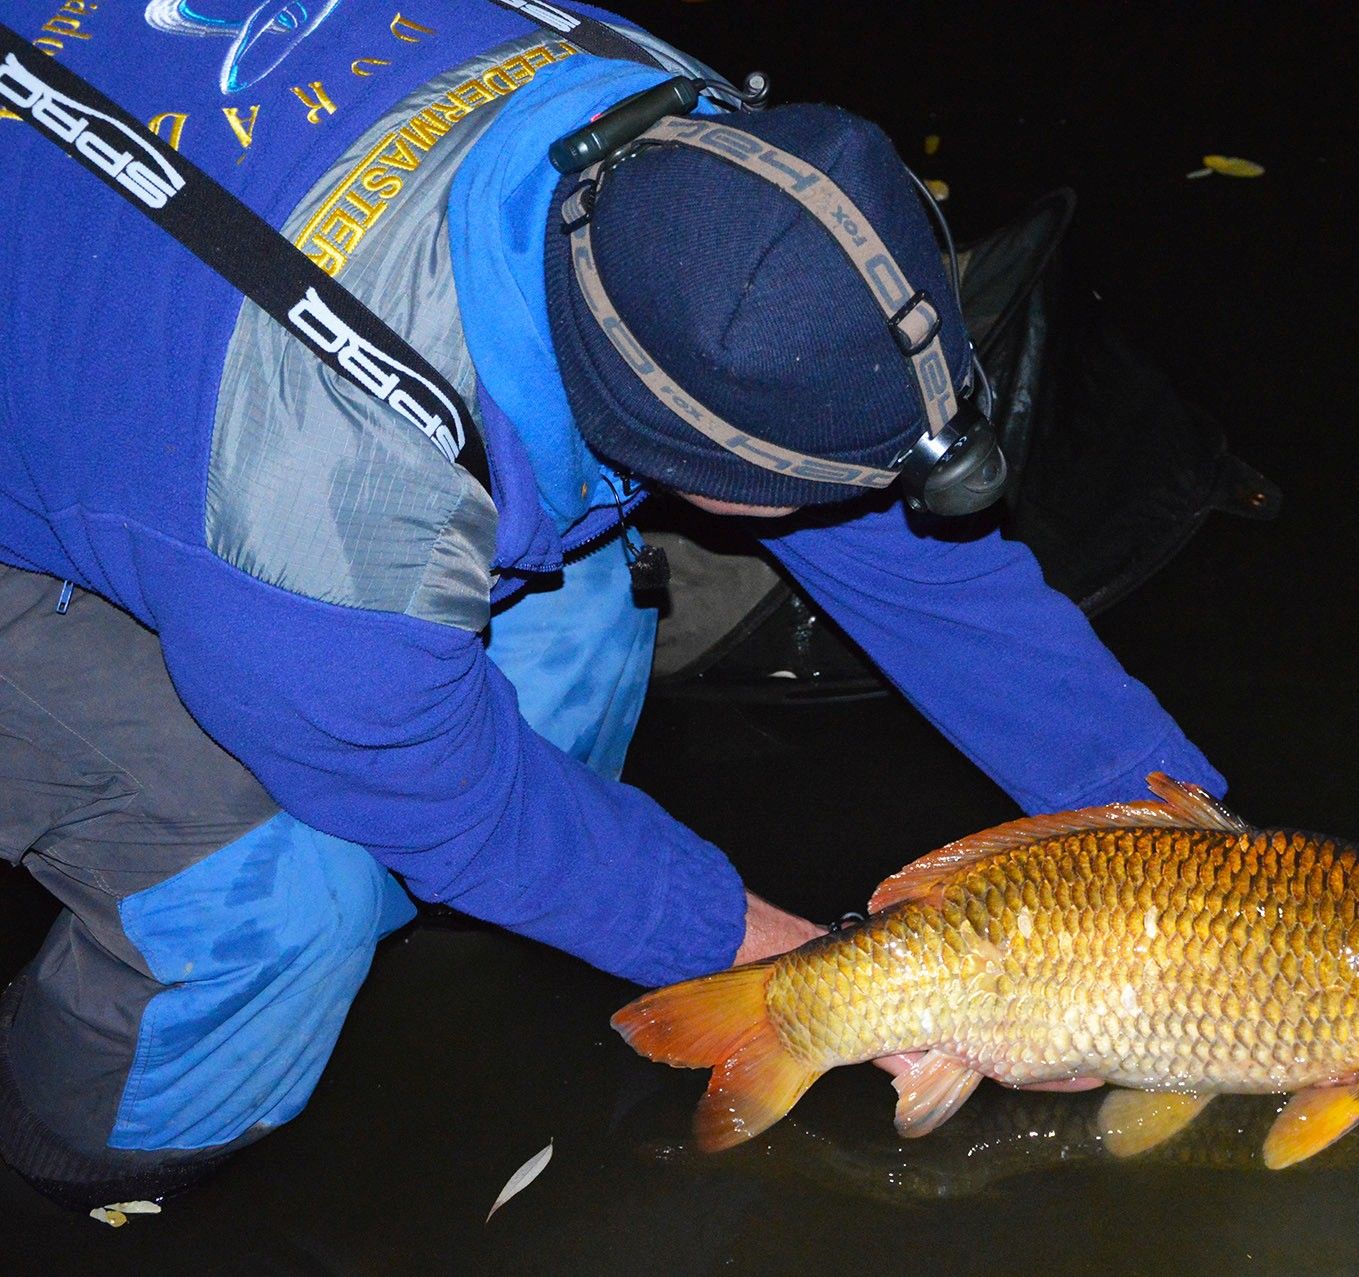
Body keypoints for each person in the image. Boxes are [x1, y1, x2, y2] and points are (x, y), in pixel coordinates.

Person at [0, 0, 1223, 1209]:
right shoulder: (328, 515)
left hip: (167, 312)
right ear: (679, 461)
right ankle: (86, 1151)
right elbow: (464, 801)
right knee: (271, 891)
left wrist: (1195, 840)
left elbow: (912, 563)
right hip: (204, 445)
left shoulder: (681, 132)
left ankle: (459, 915)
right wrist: (817, 987)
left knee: (581, 619)